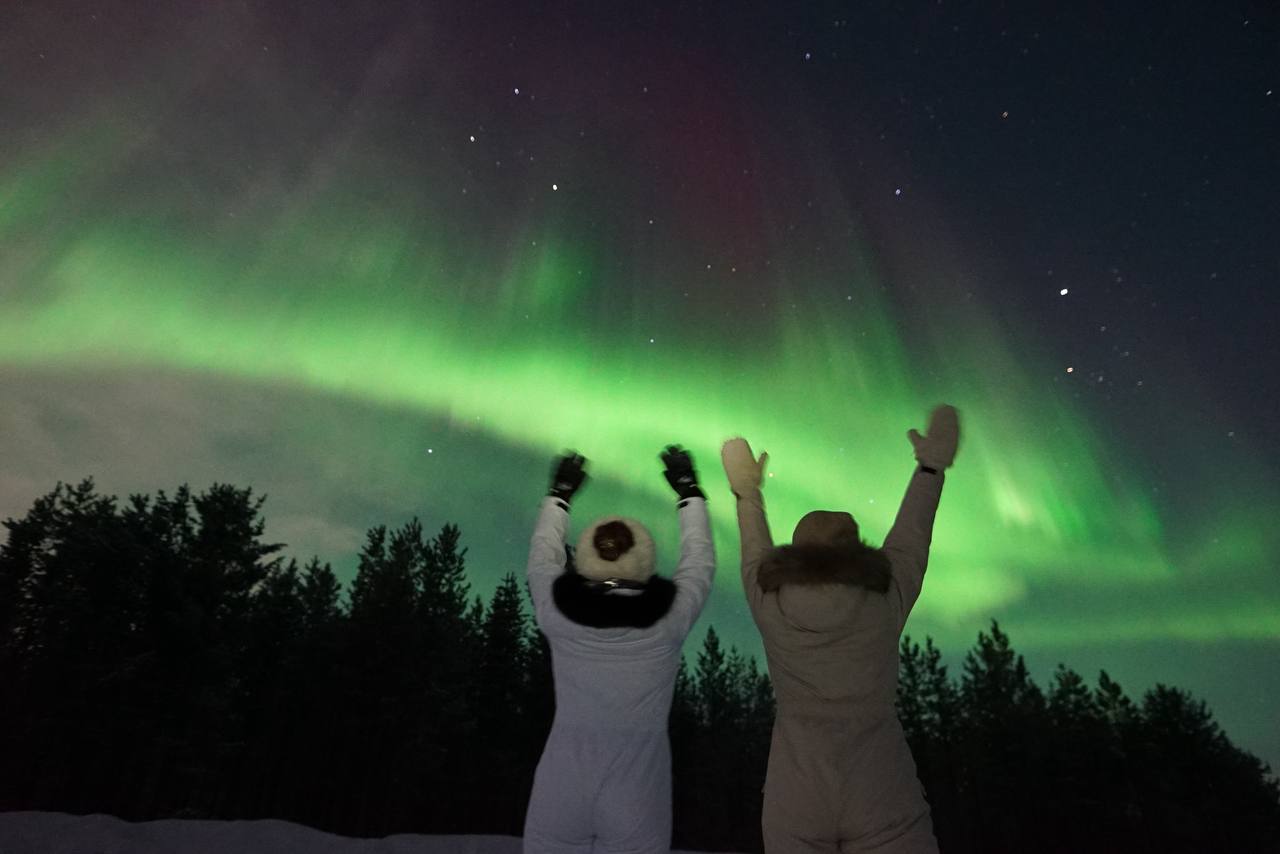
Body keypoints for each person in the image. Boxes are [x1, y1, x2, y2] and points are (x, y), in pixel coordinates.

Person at [720, 405, 960, 854]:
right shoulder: (884, 596)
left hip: (796, 790)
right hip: (880, 784)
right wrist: (930, 469)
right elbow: (912, 538)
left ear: (793, 550)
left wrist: (746, 492)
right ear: (856, 548)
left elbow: (753, 547)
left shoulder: (768, 599)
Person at [523, 445, 716, 854]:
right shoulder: (669, 622)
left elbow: (542, 559)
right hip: (638, 791)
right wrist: (689, 493)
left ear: (585, 560)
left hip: (561, 785)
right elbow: (699, 562)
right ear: (645, 560)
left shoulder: (557, 615)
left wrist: (559, 495)